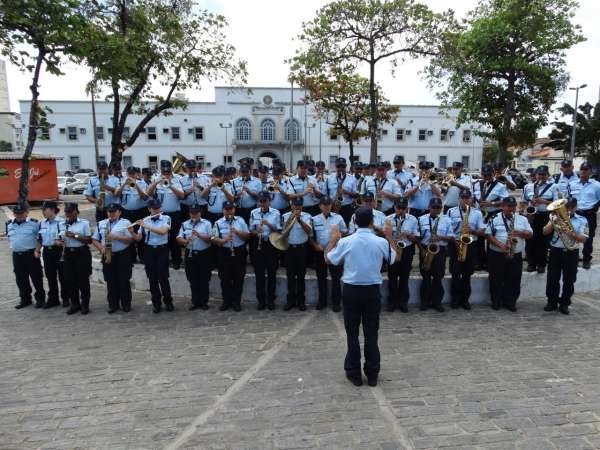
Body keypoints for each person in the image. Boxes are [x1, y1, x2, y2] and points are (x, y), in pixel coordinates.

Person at [325, 206, 399, 387]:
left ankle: (354, 373)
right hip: (372, 291)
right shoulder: (380, 242)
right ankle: (372, 373)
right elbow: (395, 258)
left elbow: (329, 259)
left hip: (351, 290)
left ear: (354, 222)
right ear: (373, 222)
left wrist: (333, 241)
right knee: (371, 333)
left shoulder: (347, 241)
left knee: (352, 334)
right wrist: (389, 235)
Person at [485, 196, 533, 311]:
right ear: (502, 206)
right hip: (497, 254)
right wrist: (500, 245)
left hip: (515, 254)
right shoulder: (494, 218)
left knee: (514, 278)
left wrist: (519, 233)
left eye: (513, 206)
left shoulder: (522, 219)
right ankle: (496, 301)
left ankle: (510, 302)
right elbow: (488, 235)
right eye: (509, 206)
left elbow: (530, 234)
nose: (511, 208)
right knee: (496, 278)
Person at [543, 197, 588, 315]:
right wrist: (553, 223)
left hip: (571, 253)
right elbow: (545, 232)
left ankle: (564, 303)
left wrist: (570, 233)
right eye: (566, 207)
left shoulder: (582, 220)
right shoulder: (554, 217)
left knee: (569, 280)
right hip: (555, 251)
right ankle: (551, 302)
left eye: (571, 207)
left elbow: (583, 239)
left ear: (575, 208)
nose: (568, 210)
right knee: (552, 278)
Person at [132, 198, 174, 313]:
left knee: (163, 278)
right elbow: (139, 238)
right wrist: (131, 231)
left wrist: (145, 225)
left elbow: (162, 231)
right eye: (154, 209)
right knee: (152, 279)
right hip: (149, 250)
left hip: (162, 250)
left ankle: (168, 302)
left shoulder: (166, 218)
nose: (157, 210)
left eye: (158, 208)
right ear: (149, 209)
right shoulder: (145, 220)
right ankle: (156, 303)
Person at [91, 203, 134, 313]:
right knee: (110, 281)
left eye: (114, 211)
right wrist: (101, 248)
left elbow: (130, 240)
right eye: (110, 212)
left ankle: (126, 304)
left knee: (123, 280)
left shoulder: (126, 223)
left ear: (119, 212)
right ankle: (113, 304)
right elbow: (94, 239)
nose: (112, 214)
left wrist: (116, 237)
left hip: (122, 255)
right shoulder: (101, 223)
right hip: (108, 255)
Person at [447, 190, 485, 310]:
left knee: (467, 274)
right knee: (455, 273)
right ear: (459, 198)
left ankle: (465, 300)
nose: (465, 199)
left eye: (467, 197)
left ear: (471, 199)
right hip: (456, 243)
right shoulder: (450, 211)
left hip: (471, 244)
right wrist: (454, 239)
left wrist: (472, 230)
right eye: (462, 197)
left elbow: (482, 231)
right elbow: (447, 229)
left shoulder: (477, 213)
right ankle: (455, 299)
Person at [212, 201, 250, 311]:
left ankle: (236, 302)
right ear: (223, 210)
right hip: (224, 252)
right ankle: (226, 301)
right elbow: (213, 238)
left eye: (231, 209)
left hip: (239, 251)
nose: (229, 211)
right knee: (224, 278)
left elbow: (247, 236)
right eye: (227, 209)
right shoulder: (218, 223)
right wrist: (224, 240)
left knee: (239, 277)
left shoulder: (240, 221)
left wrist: (238, 232)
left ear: (234, 210)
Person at [146, 160, 185, 269]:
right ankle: (164, 260)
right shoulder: (155, 178)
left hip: (174, 214)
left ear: (171, 170)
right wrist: (156, 182)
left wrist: (170, 185)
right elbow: (148, 194)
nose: (166, 174)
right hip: (160, 215)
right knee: (162, 238)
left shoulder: (178, 179)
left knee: (174, 238)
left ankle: (176, 260)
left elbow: (182, 196)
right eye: (164, 172)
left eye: (168, 172)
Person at [311, 196, 348, 311]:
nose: (326, 206)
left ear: (331, 205)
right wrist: (315, 245)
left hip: (335, 251)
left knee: (336, 278)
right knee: (321, 277)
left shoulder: (338, 218)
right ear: (320, 206)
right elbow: (310, 236)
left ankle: (336, 302)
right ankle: (322, 301)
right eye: (324, 204)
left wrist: (338, 239)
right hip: (320, 251)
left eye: (328, 204)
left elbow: (346, 232)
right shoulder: (314, 219)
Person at [417, 197, 454, 312]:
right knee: (426, 277)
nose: (436, 209)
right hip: (425, 249)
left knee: (438, 277)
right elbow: (417, 237)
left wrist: (440, 237)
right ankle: (425, 302)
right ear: (429, 207)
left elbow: (451, 237)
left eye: (438, 207)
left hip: (440, 250)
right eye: (434, 207)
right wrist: (421, 250)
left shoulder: (447, 220)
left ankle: (437, 302)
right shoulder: (421, 219)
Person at [6, 203, 45, 309]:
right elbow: (9, 238)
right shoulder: (9, 224)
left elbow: (40, 238)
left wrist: (37, 251)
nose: (19, 215)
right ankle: (25, 299)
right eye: (17, 213)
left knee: (36, 277)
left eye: (21, 213)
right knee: (20, 278)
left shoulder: (34, 223)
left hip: (31, 254)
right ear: (14, 213)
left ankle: (40, 299)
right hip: (17, 256)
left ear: (26, 213)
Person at [177, 203, 213, 311]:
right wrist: (185, 241)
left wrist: (199, 235)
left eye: (196, 213)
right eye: (192, 213)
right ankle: (195, 301)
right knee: (192, 278)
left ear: (200, 213)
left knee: (204, 278)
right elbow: (178, 238)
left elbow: (210, 239)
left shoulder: (206, 224)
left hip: (204, 254)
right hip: (190, 253)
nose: (194, 215)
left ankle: (204, 301)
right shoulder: (185, 224)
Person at [385, 198, 418, 313]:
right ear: (395, 207)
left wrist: (408, 235)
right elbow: (385, 235)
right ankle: (392, 302)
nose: (401, 210)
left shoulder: (413, 219)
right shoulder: (388, 219)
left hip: (407, 249)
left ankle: (403, 302)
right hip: (393, 248)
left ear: (407, 208)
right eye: (399, 208)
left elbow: (416, 237)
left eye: (404, 208)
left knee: (404, 277)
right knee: (392, 277)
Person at [249, 192, 282, 310]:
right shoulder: (253, 213)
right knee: (259, 274)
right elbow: (250, 230)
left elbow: (278, 230)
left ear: (269, 201)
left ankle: (271, 300)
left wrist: (269, 224)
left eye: (265, 201)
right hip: (258, 244)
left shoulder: (276, 213)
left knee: (272, 273)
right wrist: (255, 231)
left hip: (271, 244)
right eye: (260, 201)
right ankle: (261, 300)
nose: (262, 203)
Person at [522, 165, 558, 273]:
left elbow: (557, 204)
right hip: (531, 215)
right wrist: (525, 209)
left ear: (547, 175)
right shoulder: (528, 186)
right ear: (536, 175)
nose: (541, 176)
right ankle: (531, 263)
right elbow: (523, 201)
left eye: (543, 174)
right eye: (539, 174)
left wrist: (544, 201)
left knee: (543, 241)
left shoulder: (554, 186)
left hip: (545, 215)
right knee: (530, 240)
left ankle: (541, 264)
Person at [282, 197, 313, 311]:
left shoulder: (307, 216)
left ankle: (301, 301)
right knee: (290, 276)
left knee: (301, 276)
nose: (297, 207)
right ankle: (290, 301)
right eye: (295, 205)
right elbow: (283, 233)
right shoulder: (285, 216)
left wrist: (299, 220)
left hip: (302, 249)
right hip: (289, 249)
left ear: (302, 206)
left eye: (299, 205)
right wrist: (291, 220)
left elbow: (309, 231)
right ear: (291, 206)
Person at [61, 203, 93, 315]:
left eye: (71, 212)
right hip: (68, 253)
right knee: (70, 280)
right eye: (67, 212)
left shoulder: (84, 223)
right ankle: (75, 304)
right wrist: (59, 241)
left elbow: (89, 240)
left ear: (77, 212)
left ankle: (85, 304)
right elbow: (58, 238)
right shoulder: (62, 223)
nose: (68, 215)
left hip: (81, 253)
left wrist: (74, 236)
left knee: (83, 280)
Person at [38, 201, 68, 308]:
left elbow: (64, 237)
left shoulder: (62, 222)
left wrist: (60, 241)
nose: (43, 212)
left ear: (52, 210)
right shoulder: (42, 223)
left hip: (59, 251)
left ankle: (65, 298)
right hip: (47, 251)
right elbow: (40, 239)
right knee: (50, 276)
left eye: (45, 209)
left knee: (62, 276)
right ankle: (53, 299)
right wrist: (37, 251)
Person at [116, 166, 148, 263]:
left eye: (133, 174)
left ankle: (142, 257)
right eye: (130, 174)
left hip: (140, 212)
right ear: (127, 174)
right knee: (129, 234)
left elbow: (144, 197)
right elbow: (117, 194)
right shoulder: (122, 182)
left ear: (136, 174)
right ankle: (132, 257)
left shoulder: (142, 183)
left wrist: (135, 185)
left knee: (141, 234)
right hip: (127, 213)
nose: (131, 176)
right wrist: (123, 185)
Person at [572, 162, 600, 269]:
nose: (583, 171)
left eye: (586, 169)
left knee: (588, 238)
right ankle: (573, 258)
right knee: (573, 236)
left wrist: (595, 207)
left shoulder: (597, 185)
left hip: (589, 215)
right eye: (582, 169)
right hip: (576, 214)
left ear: (590, 171)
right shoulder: (573, 184)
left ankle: (586, 259)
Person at [325, 157, 357, 224]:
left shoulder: (352, 178)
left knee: (347, 227)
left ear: (346, 167)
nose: (341, 168)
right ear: (335, 167)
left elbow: (356, 196)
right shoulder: (329, 178)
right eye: (338, 166)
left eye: (343, 166)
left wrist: (346, 192)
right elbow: (326, 194)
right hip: (333, 207)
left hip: (347, 208)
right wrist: (331, 203)